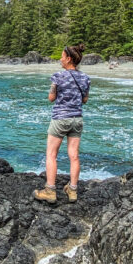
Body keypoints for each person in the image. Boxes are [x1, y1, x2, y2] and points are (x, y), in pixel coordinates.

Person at [34, 44, 90, 204]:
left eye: (62, 56)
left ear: (69, 59)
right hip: (77, 120)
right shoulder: (85, 78)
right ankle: (72, 191)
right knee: (74, 156)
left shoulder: (58, 76)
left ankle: (50, 191)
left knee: (51, 155)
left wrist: (57, 93)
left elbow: (51, 98)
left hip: (60, 119)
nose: (60, 59)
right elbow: (84, 100)